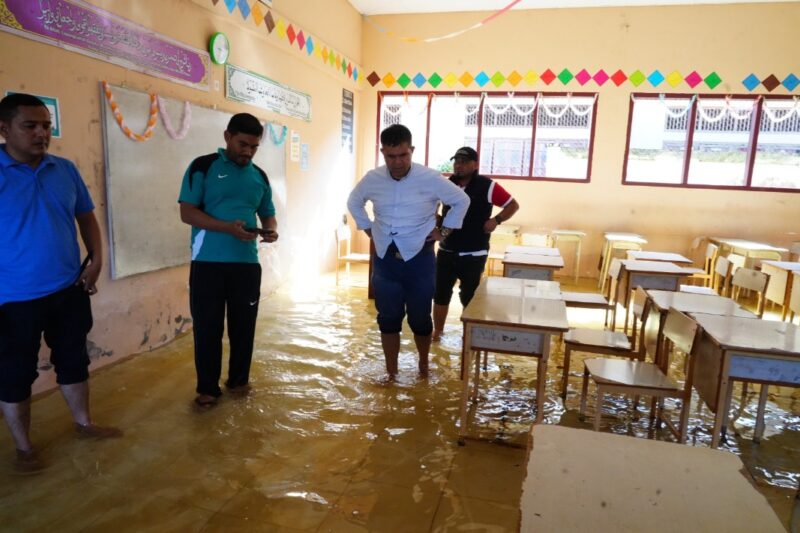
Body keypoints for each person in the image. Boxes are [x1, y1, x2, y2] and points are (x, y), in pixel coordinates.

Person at [0, 93, 122, 472]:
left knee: (73, 358)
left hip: (69, 289)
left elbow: (85, 216)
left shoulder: (64, 169)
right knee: (15, 372)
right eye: (30, 126)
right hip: (12, 298)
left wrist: (97, 259)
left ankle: (83, 423)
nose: (41, 133)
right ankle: (24, 447)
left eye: (46, 126)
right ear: (4, 130)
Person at [347, 124, 469, 379]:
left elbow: (461, 201)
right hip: (385, 259)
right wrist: (368, 229)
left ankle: (423, 365)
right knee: (388, 317)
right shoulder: (373, 178)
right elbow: (354, 202)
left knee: (420, 318)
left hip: (420, 259)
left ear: (411, 150)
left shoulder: (430, 178)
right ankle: (391, 372)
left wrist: (444, 231)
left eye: (403, 155)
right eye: (391, 156)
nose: (398, 162)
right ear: (382, 153)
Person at [178, 113, 278, 407]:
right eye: (242, 144)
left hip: (246, 266)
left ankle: (238, 383)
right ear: (227, 137)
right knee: (208, 327)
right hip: (207, 263)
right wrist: (226, 228)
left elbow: (267, 211)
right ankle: (207, 389)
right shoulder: (203, 166)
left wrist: (271, 229)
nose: (247, 152)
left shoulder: (259, 175)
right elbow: (187, 212)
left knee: (244, 328)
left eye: (254, 147)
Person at [432, 147, 520, 340]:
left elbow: (513, 205)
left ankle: (469, 335)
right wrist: (436, 219)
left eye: (464, 161)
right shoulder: (447, 185)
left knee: (469, 295)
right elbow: (432, 204)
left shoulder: (487, 186)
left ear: (475, 164)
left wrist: (496, 220)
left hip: (474, 252)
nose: (459, 165)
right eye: (456, 161)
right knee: (440, 293)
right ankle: (437, 332)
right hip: (447, 249)